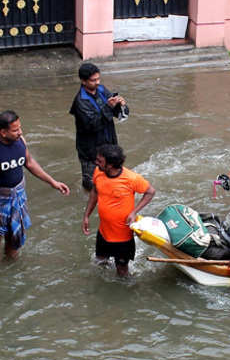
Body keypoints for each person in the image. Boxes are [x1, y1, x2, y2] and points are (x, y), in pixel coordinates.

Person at [0, 110, 70, 260]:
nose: (20, 132)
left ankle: (11, 267)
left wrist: (53, 182)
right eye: (15, 130)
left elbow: (30, 163)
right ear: (3, 133)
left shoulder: (21, 141)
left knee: (15, 238)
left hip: (18, 195)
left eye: (20, 128)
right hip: (1, 198)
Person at [82, 144, 155, 277]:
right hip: (103, 232)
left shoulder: (132, 178)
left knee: (122, 272)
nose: (95, 163)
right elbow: (94, 192)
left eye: (100, 161)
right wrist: (86, 215)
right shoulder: (98, 172)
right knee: (100, 262)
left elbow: (150, 192)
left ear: (110, 165)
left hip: (123, 238)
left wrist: (134, 212)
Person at [70, 62, 129, 191]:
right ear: (83, 81)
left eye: (98, 79)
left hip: (109, 144)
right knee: (92, 184)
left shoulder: (101, 90)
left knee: (114, 178)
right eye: (93, 80)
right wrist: (108, 107)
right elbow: (93, 125)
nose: (97, 82)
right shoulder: (81, 101)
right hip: (91, 151)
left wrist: (120, 105)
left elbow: (116, 112)